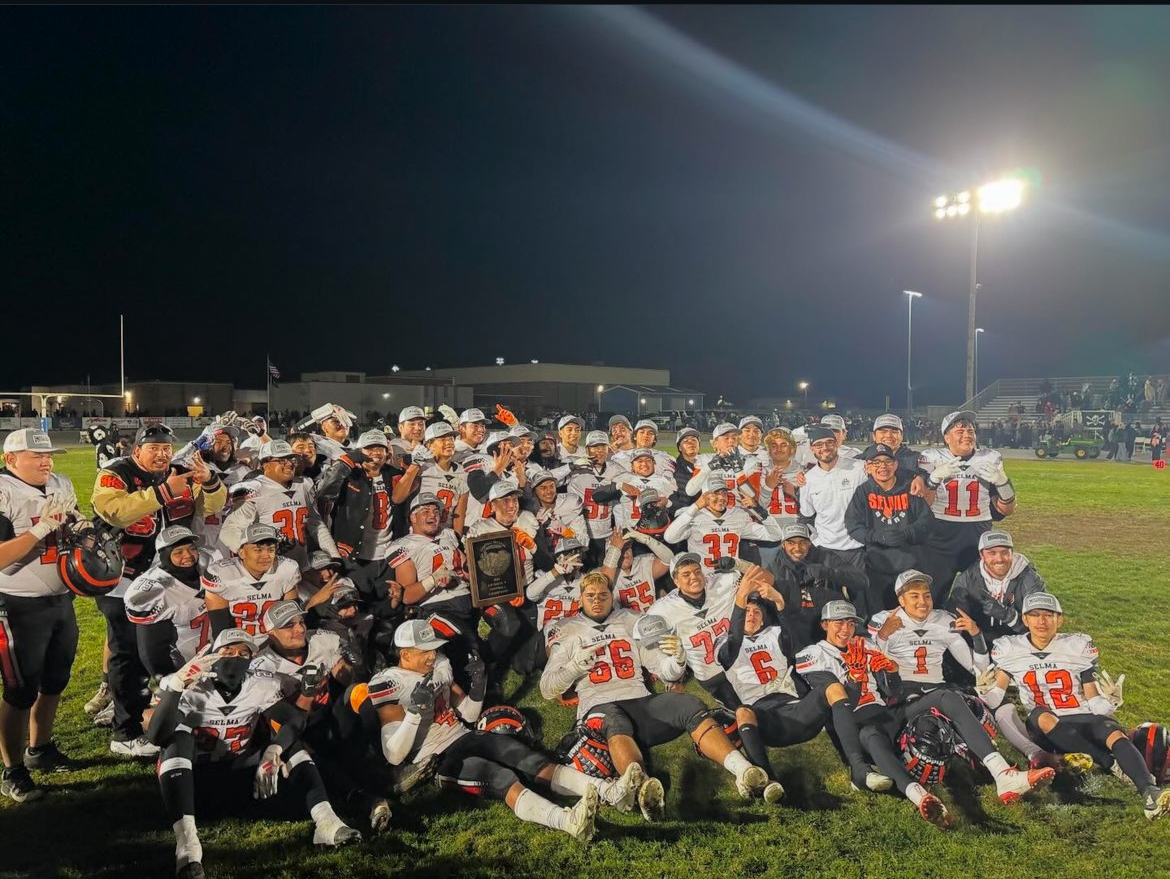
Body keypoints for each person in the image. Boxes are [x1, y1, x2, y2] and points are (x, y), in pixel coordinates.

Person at [369, 619, 640, 842]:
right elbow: (393, 754)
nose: (432, 655)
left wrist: (478, 682)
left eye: (433, 649)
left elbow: (469, 714)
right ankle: (568, 822)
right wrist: (415, 713)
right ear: (405, 654)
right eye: (424, 651)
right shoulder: (391, 684)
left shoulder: (439, 663)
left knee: (527, 757)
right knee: (500, 777)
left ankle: (610, 792)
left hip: (464, 735)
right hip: (436, 757)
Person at [541, 572, 779, 814]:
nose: (597, 600)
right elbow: (547, 688)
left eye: (603, 595)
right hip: (599, 707)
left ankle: (742, 771)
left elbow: (663, 670)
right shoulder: (566, 629)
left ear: (611, 596)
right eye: (590, 595)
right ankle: (644, 791)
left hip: (639, 700)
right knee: (615, 720)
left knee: (688, 704)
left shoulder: (632, 620)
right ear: (580, 598)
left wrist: (677, 660)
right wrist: (574, 667)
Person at [147, 629, 360, 879]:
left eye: (243, 653)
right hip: (195, 785)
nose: (235, 658)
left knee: (290, 744)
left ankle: (326, 822)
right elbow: (157, 736)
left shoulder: (259, 683)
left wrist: (274, 749)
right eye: (228, 651)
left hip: (241, 777)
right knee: (177, 740)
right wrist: (175, 687)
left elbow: (294, 721)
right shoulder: (190, 684)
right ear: (212, 655)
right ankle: (188, 849)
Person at [93, 422, 227, 759]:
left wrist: (209, 481)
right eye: (154, 448)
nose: (162, 454)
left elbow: (211, 506)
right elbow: (113, 511)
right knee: (126, 650)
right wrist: (163, 492)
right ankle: (124, 731)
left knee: (161, 651)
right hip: (121, 577)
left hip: (167, 578)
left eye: (167, 448)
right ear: (137, 450)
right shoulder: (117, 471)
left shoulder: (180, 470)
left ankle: (140, 710)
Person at [980, 593, 1170, 821]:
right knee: (1042, 715)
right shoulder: (1011, 649)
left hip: (1082, 716)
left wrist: (1111, 701)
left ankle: (1149, 792)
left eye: (1048, 615)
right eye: (1035, 615)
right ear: (1025, 619)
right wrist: (984, 690)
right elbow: (994, 699)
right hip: (1047, 726)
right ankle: (1110, 764)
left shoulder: (1075, 646)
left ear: (1060, 620)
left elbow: (1094, 703)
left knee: (1112, 731)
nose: (1042, 621)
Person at [868, 571, 1053, 803]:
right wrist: (883, 636)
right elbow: (872, 669)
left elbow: (976, 669)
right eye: (914, 596)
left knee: (977, 711)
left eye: (926, 595)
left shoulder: (944, 620)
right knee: (939, 715)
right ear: (900, 599)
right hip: (901, 697)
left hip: (937, 691)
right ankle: (1001, 773)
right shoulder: (882, 621)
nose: (922, 602)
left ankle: (994, 770)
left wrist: (976, 635)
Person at [795, 601, 953, 828]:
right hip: (852, 722)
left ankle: (985, 765)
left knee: (933, 711)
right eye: (838, 622)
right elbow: (842, 702)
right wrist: (855, 678)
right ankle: (920, 796)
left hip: (882, 712)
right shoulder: (812, 654)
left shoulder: (866, 645)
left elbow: (893, 692)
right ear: (824, 624)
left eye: (850, 623)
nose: (845, 629)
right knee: (872, 736)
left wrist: (891, 671)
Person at [0, 430, 82, 802]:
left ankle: (40, 748)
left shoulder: (61, 483)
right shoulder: (3, 491)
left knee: (55, 680)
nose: (46, 462)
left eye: (49, 455)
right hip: (17, 604)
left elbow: (75, 525)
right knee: (19, 691)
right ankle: (12, 769)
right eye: (36, 456)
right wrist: (41, 529)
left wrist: (81, 528)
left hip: (62, 598)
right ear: (10, 459)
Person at [642, 554, 782, 709]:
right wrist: (670, 674)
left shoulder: (722, 581)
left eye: (697, 571)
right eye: (686, 574)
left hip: (741, 661)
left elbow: (768, 579)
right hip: (712, 674)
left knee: (767, 707)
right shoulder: (662, 610)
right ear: (676, 581)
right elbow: (648, 647)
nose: (694, 577)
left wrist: (738, 564)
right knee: (739, 714)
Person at [918, 411, 1016, 603]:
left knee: (980, 598)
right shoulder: (931, 457)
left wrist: (1003, 483)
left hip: (977, 532)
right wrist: (933, 479)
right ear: (946, 437)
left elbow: (1007, 510)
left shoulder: (989, 457)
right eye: (960, 430)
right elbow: (923, 504)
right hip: (940, 534)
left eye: (970, 430)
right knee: (934, 595)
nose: (967, 435)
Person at [845, 443, 933, 614]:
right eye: (876, 463)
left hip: (910, 564)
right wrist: (877, 536)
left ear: (896, 464)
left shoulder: (910, 488)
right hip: (877, 566)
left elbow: (927, 522)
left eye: (887, 461)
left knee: (913, 615)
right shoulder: (863, 492)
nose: (882, 466)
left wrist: (906, 533)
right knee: (880, 615)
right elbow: (853, 525)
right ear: (868, 467)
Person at [124, 526, 210, 678]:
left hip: (215, 654)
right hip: (184, 668)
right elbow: (152, 652)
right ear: (164, 555)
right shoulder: (154, 591)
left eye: (191, 549)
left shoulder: (207, 564)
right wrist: (167, 681)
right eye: (178, 552)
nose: (188, 555)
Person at [768, 523, 868, 654]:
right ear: (783, 545)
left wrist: (826, 572)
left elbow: (862, 581)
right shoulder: (775, 567)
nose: (797, 548)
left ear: (809, 543)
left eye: (802, 542)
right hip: (797, 628)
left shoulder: (826, 558)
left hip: (831, 627)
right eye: (791, 543)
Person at [317, 430, 410, 566]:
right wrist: (347, 461)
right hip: (354, 554)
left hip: (389, 553)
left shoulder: (394, 475)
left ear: (387, 452)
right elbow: (324, 492)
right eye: (369, 448)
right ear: (359, 452)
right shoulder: (348, 475)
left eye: (380, 448)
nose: (376, 452)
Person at [201, 523, 303, 637]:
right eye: (258, 550)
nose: (266, 556)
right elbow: (221, 630)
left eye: (270, 549)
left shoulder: (287, 569)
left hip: (276, 640)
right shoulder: (221, 574)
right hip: (238, 642)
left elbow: (292, 620)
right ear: (242, 553)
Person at [663, 474, 781, 570]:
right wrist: (695, 507)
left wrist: (758, 509)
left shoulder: (737, 516)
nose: (721, 497)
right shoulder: (692, 515)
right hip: (704, 579)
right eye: (715, 493)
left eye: (724, 493)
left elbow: (775, 535)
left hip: (731, 578)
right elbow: (670, 538)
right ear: (704, 496)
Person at [797, 426, 868, 569]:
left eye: (829, 442)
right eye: (818, 444)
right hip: (826, 548)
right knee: (828, 592)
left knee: (861, 590)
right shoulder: (807, 479)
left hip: (858, 548)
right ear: (812, 449)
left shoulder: (859, 468)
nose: (825, 447)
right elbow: (807, 515)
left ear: (836, 444)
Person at [598, 528, 673, 614]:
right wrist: (615, 548)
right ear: (609, 554)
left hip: (653, 619)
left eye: (627, 548)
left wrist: (647, 540)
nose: (625, 552)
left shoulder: (644, 563)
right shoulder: (602, 574)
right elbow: (602, 583)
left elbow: (668, 560)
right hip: (626, 624)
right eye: (620, 550)